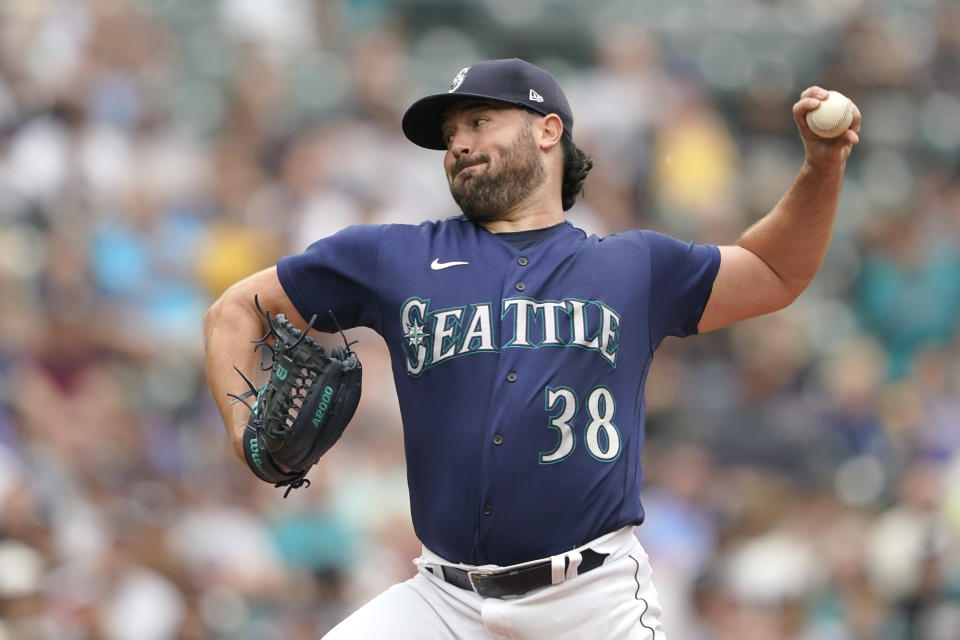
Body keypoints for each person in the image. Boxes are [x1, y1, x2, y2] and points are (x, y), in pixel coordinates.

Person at [203, 58, 860, 639]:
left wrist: (821, 166)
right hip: (443, 601)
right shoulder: (392, 256)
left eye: (479, 121)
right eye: (451, 134)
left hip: (591, 604)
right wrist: (242, 434)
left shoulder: (634, 267)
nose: (459, 143)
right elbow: (236, 308)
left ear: (548, 130)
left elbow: (774, 274)